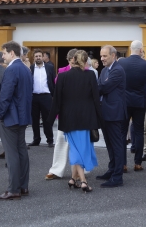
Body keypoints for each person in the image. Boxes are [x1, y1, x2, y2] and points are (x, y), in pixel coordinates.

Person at [49, 50, 102, 192]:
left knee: (75, 148)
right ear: (85, 62)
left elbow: (57, 101)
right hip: (86, 118)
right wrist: (100, 119)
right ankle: (83, 181)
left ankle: (73, 179)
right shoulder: (90, 74)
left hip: (68, 119)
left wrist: (50, 120)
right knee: (81, 148)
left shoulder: (63, 76)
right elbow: (96, 99)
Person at [0, 41, 33, 200]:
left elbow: (6, 96)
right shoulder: (25, 69)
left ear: (12, 53)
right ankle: (23, 187)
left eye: (4, 53)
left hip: (10, 117)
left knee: (11, 154)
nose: (2, 56)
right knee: (21, 151)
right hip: (22, 116)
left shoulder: (11, 69)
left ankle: (13, 189)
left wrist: (0, 114)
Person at [96, 45, 127, 188]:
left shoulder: (118, 70)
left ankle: (117, 176)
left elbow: (103, 88)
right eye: (101, 56)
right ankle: (112, 169)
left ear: (113, 55)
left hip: (114, 113)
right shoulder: (104, 70)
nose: (102, 59)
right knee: (109, 143)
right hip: (105, 112)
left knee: (117, 144)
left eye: (105, 56)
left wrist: (91, 86)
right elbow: (101, 86)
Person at [118, 40, 146, 172]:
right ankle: (138, 163)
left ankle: (123, 164)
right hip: (139, 101)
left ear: (131, 49)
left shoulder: (121, 62)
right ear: (141, 50)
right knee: (139, 131)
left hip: (125, 101)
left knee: (122, 132)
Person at [45, 48, 77, 180]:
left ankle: (80, 171)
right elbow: (58, 94)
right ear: (69, 60)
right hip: (64, 112)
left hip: (80, 112)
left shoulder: (87, 71)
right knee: (61, 142)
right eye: (75, 60)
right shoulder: (61, 72)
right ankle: (56, 170)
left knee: (80, 142)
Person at [29, 49, 56, 147]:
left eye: (40, 56)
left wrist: (53, 95)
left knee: (47, 120)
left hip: (46, 96)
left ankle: (50, 140)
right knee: (34, 120)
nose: (38, 58)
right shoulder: (31, 68)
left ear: (43, 57)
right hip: (34, 97)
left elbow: (53, 81)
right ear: (34, 58)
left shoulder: (49, 67)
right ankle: (36, 140)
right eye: (36, 56)